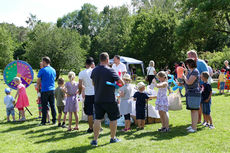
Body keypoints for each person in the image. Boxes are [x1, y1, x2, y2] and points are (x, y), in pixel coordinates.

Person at [90, 52, 124, 146]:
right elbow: (122, 83)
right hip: (109, 99)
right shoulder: (110, 70)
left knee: (97, 119)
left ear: (100, 59)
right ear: (107, 60)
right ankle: (113, 138)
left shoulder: (94, 70)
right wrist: (116, 85)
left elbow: (93, 83)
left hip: (98, 98)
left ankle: (95, 140)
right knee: (113, 119)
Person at [187, 50, 208, 123]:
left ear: (193, 56)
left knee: (202, 105)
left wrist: (200, 83)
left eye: (188, 56)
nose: (187, 58)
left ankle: (204, 120)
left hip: (201, 87)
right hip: (193, 88)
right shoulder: (191, 64)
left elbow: (206, 74)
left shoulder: (201, 63)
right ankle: (197, 120)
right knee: (196, 105)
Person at [183, 58, 201, 133]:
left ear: (190, 64)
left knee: (194, 110)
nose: (186, 65)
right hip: (190, 93)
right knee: (192, 110)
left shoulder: (195, 71)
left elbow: (189, 82)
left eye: (187, 64)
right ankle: (192, 125)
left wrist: (184, 77)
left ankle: (194, 128)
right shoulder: (191, 71)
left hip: (194, 93)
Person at [37, 56, 56, 125]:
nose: (42, 63)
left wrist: (38, 90)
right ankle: (54, 120)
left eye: (42, 61)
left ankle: (43, 121)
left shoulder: (42, 70)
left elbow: (38, 81)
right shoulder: (53, 70)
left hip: (45, 90)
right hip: (52, 89)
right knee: (52, 105)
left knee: (44, 106)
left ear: (44, 62)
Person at [79, 57, 95, 133]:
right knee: (97, 111)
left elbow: (80, 84)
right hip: (95, 93)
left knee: (89, 112)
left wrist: (80, 92)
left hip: (88, 93)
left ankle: (91, 128)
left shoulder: (82, 73)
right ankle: (99, 127)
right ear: (92, 64)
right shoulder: (94, 71)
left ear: (86, 64)